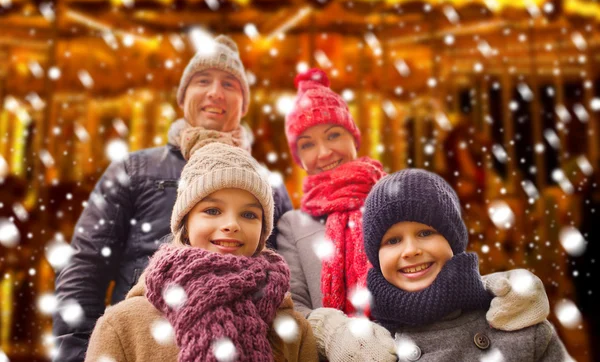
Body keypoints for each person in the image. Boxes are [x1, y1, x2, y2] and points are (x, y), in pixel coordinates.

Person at [276, 67, 551, 361]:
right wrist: (334, 333)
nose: (324, 152)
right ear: (298, 156)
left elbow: (445, 267)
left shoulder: (396, 196)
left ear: (353, 137)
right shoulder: (293, 225)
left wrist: (502, 290)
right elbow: (297, 308)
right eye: (308, 144)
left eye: (333, 135)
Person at [53, 35, 293, 361]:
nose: (214, 92)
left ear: (244, 104)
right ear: (182, 98)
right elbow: (86, 264)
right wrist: (79, 353)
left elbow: (285, 274)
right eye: (202, 80)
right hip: (147, 343)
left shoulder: (269, 185)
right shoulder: (135, 169)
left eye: (229, 84)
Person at [84, 140, 318, 362]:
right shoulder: (123, 325)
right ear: (186, 223)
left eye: (249, 214)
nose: (232, 224)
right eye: (213, 211)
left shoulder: (293, 329)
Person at [361, 169, 572, 361]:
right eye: (393, 241)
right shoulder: (368, 348)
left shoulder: (516, 324)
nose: (410, 250)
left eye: (425, 233)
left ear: (453, 241)